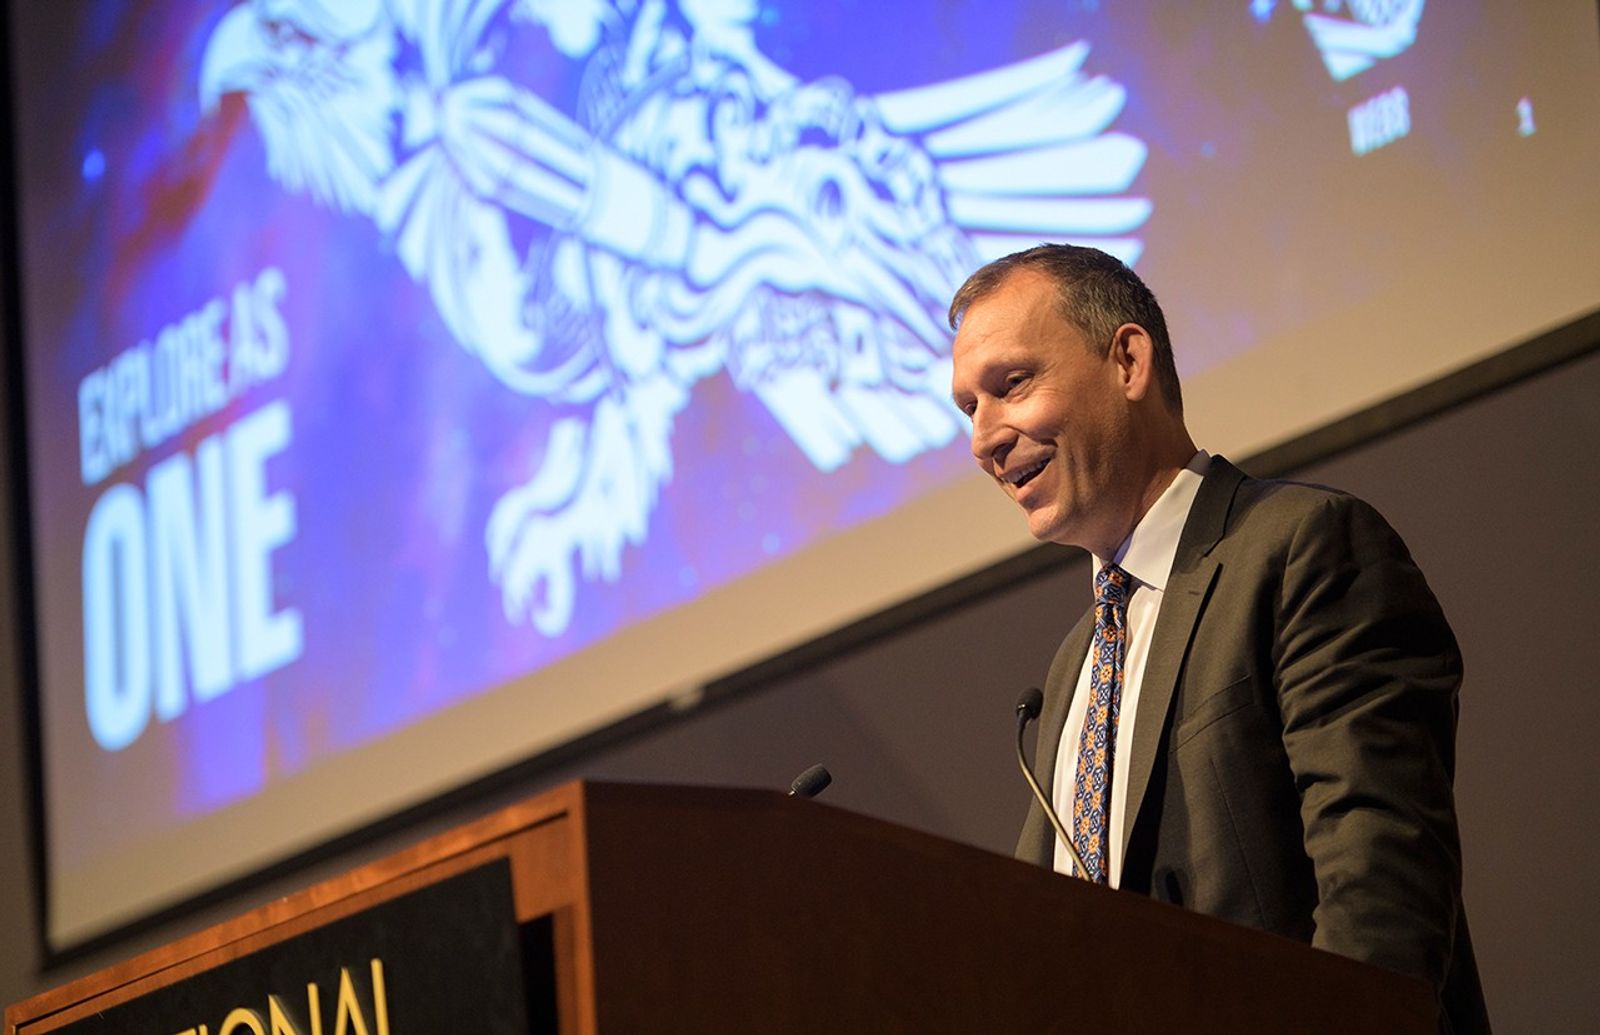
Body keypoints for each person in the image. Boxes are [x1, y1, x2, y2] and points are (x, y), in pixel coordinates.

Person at [947, 244, 1489, 1033]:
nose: (983, 437)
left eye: (1012, 384)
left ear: (1128, 361)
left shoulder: (1302, 547)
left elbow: (1380, 887)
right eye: (969, 407)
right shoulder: (1075, 665)